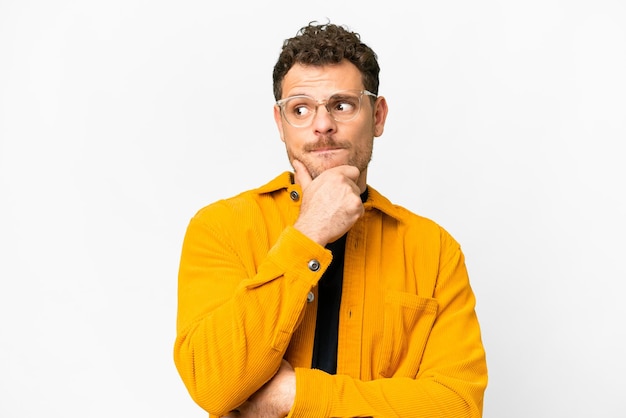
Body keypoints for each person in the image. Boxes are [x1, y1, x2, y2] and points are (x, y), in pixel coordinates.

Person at [174, 21, 488, 418]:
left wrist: (296, 395)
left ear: (377, 116)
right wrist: (310, 231)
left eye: (342, 104)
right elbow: (213, 384)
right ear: (280, 124)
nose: (322, 124)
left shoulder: (435, 250)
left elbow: (458, 406)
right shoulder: (221, 228)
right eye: (300, 109)